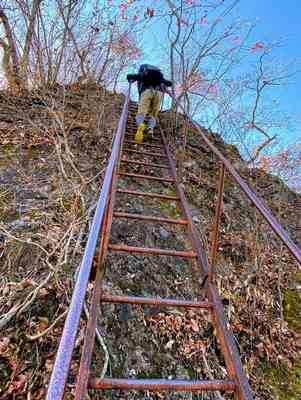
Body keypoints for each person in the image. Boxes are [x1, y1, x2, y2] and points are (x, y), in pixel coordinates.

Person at [127, 64, 172, 143]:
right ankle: (150, 129)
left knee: (142, 112)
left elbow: (130, 76)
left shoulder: (143, 74)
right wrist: (166, 85)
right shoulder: (160, 77)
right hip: (159, 93)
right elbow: (169, 83)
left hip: (147, 91)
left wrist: (130, 78)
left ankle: (140, 125)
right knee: (154, 114)